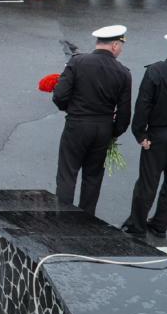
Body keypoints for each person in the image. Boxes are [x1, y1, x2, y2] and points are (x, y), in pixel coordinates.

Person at [52, 25, 132, 216]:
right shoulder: (123, 72)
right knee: (93, 176)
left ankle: (61, 219)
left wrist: (71, 110)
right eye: (121, 45)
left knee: (67, 173)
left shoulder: (77, 62)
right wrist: (113, 132)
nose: (121, 49)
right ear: (114, 45)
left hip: (77, 124)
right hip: (103, 128)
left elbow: (59, 96)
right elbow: (124, 113)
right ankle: (86, 220)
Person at [123, 30, 167, 237]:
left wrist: (140, 133)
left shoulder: (156, 71)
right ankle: (159, 225)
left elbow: (143, 105)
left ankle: (137, 226)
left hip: (159, 134)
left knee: (148, 180)